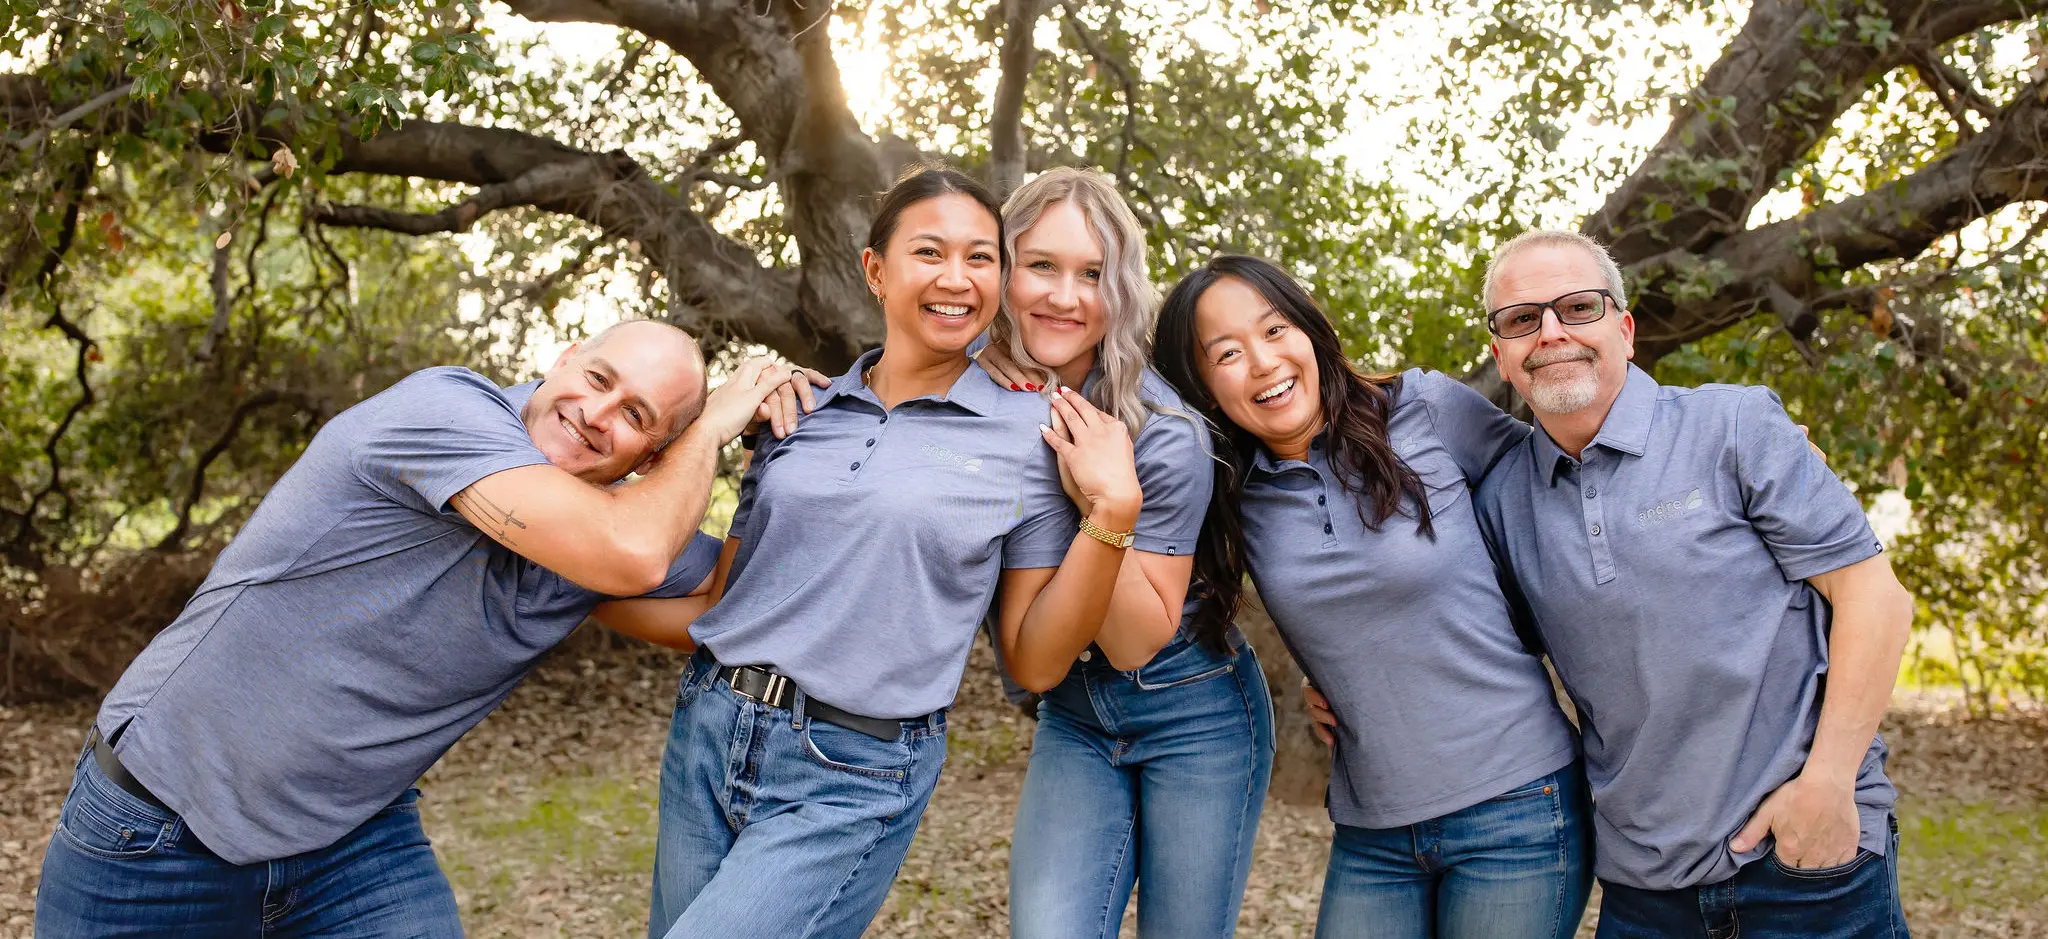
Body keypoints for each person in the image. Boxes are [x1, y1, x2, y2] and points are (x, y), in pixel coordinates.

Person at [36, 320, 807, 938]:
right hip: (160, 831)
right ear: (565, 357)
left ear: (654, 455)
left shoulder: (599, 537)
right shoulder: (444, 412)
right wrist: (707, 431)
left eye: (637, 416)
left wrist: (762, 455)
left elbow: (718, 603)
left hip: (351, 841)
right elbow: (633, 552)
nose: (598, 414)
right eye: (599, 379)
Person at [646, 166, 1142, 939]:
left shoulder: (1035, 432)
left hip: (851, 770)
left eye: (981, 257)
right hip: (709, 728)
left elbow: (1035, 660)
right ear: (876, 270)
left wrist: (1112, 513)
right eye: (930, 253)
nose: (957, 278)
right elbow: (723, 599)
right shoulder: (795, 409)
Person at [1470, 230, 1915, 937]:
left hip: (1803, 865)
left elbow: (1877, 599)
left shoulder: (1733, 425)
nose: (1551, 332)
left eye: (1577, 307)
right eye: (1522, 319)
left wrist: (1828, 785)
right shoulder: (1499, 502)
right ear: (1500, 354)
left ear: (1625, 327)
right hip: (1645, 890)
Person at [1152, 255, 1593, 939]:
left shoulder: (1423, 407)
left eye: (1274, 331)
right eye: (1227, 353)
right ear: (1206, 388)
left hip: (1518, 805)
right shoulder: (1234, 494)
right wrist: (1328, 673)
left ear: (1309, 330)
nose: (1263, 362)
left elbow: (1563, 489)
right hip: (1372, 829)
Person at [974, 168, 1273, 938]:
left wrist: (1104, 501)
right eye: (1041, 265)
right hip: (1073, 712)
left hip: (1193, 709)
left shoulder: (1164, 432)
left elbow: (1137, 636)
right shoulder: (977, 389)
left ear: (1122, 289)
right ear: (1001, 267)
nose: (1064, 297)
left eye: (1093, 274)